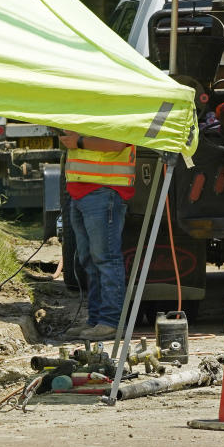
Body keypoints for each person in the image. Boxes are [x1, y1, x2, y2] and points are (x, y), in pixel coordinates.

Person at [58, 131, 136, 341]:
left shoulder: (116, 108)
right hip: (81, 191)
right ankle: (95, 320)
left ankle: (111, 322)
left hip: (103, 191)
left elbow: (117, 142)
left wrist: (79, 141)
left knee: (105, 259)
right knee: (90, 260)